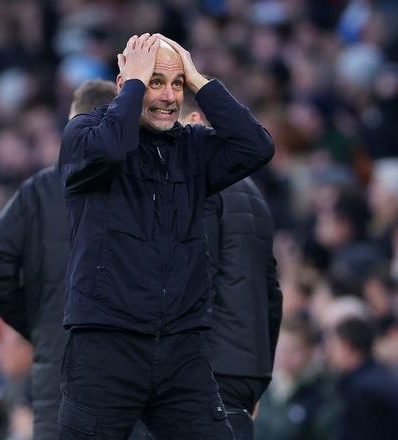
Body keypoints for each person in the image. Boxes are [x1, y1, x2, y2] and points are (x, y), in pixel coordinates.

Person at [57, 33, 274, 439]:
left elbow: (256, 146)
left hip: (181, 350)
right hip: (106, 347)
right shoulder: (83, 133)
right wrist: (135, 85)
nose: (170, 97)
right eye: (155, 81)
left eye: (177, 84)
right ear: (124, 84)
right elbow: (109, 150)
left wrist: (199, 81)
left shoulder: (192, 146)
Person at [0, 79, 154, 439]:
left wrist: (37, 323)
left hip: (61, 373)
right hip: (136, 379)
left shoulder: (42, 189)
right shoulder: (152, 187)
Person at [204, 174, 283, 439]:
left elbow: (197, 283)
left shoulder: (201, 185)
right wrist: (261, 371)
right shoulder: (252, 190)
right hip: (247, 372)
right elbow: (272, 294)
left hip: (207, 369)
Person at [326, 317, 398, 440]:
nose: (328, 354)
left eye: (333, 347)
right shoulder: (378, 375)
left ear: (347, 347)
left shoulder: (363, 391)